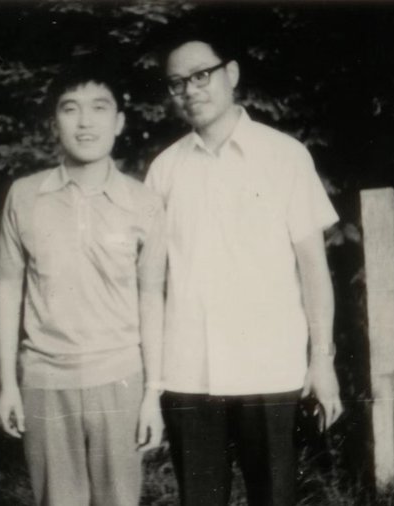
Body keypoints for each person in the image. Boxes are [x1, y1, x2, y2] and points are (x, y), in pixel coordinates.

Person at [145, 29, 344, 506]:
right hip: (189, 372)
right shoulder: (164, 170)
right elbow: (150, 284)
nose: (190, 90)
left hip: (270, 367)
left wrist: (322, 360)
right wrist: (153, 382)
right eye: (177, 83)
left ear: (231, 74)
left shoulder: (285, 155)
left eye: (201, 75)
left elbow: (314, 270)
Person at [0, 59, 166, 506]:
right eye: (70, 108)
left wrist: (152, 393)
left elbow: (152, 298)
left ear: (119, 121)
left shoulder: (144, 202)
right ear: (55, 122)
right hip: (45, 380)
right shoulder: (25, 195)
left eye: (99, 108)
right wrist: (8, 384)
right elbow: (9, 289)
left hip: (121, 380)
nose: (85, 122)